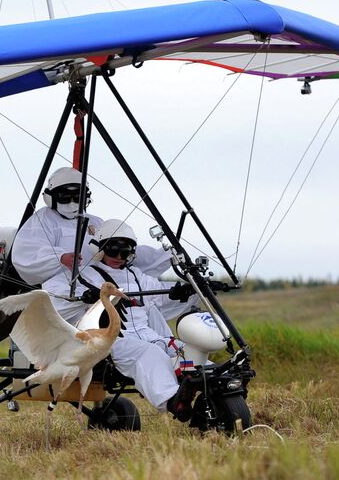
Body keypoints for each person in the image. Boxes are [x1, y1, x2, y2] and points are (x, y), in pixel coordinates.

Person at [42, 219, 200, 421]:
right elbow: (51, 293)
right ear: (99, 249)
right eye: (113, 250)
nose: (118, 257)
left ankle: (213, 386)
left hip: (148, 335)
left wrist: (181, 291)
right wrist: (84, 296)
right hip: (112, 341)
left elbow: (161, 295)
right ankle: (174, 401)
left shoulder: (137, 276)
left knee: (184, 349)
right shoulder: (84, 276)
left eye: (124, 252)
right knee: (149, 353)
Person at [12, 166, 171, 290]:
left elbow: (120, 249)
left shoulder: (95, 222)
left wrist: (167, 255)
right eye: (66, 197)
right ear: (51, 197)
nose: (72, 203)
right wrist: (60, 258)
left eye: (78, 197)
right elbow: (27, 253)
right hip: (63, 291)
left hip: (97, 288)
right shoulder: (43, 220)